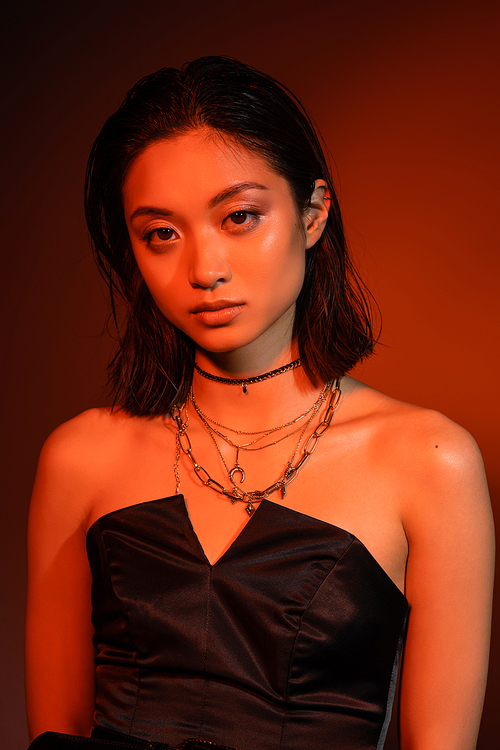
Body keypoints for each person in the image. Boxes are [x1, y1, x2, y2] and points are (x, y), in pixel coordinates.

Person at [25, 56, 494, 750]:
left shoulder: (428, 462)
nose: (204, 268)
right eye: (161, 233)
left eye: (239, 216)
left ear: (313, 213)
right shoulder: (81, 457)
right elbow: (55, 734)